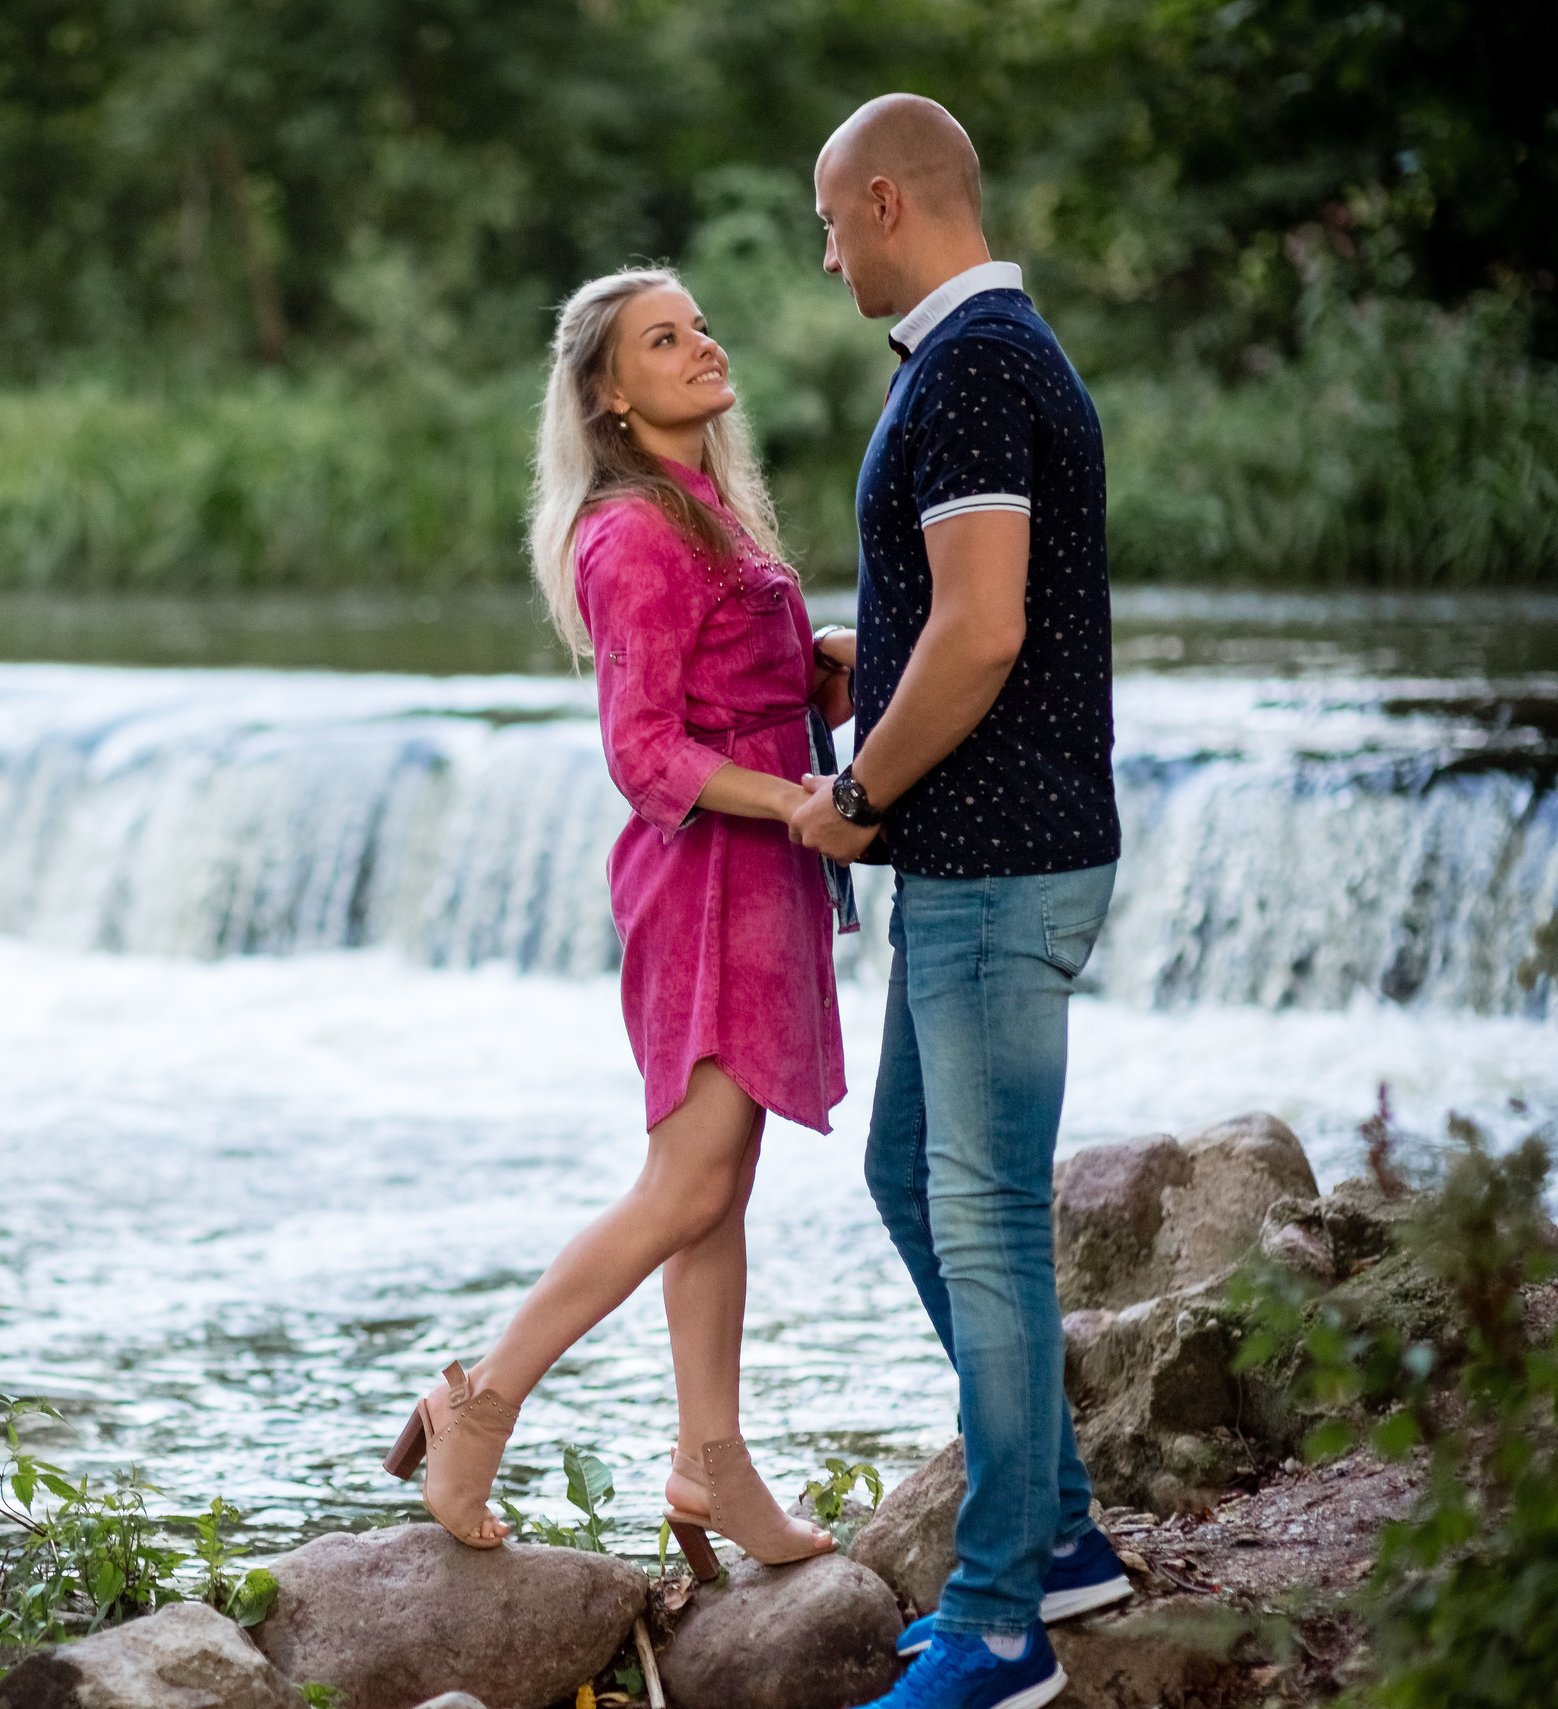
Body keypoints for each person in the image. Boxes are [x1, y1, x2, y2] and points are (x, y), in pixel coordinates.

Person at [383, 267, 855, 1578]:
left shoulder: (707, 509)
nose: (702, 345)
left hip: (755, 876)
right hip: (708, 876)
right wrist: (798, 799)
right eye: (665, 338)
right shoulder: (634, 532)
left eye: (701, 325)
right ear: (608, 390)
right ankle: (480, 1397)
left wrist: (807, 667)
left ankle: (710, 1456)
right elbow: (645, 750)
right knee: (688, 1183)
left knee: (719, 1189)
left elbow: (720, 685)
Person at [788, 96, 1132, 1709]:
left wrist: (856, 794)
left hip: (996, 864)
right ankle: (1060, 1531)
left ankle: (1002, 1626)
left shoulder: (979, 365)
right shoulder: (979, 361)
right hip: (983, 855)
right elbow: (968, 609)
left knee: (986, 1223)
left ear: (882, 201)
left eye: (826, 220)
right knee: (910, 1180)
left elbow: (987, 631)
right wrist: (877, 643)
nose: (822, 249)